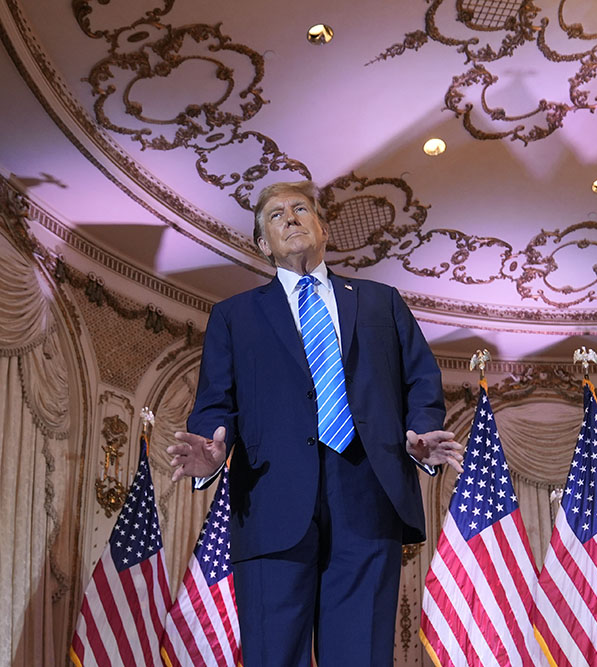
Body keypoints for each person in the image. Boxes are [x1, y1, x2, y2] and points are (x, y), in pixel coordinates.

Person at [166, 180, 463, 666]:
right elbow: (215, 404)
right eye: (276, 215)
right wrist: (209, 454)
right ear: (263, 243)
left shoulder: (381, 302)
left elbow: (420, 379)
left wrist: (422, 431)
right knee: (273, 654)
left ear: (322, 227)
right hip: (269, 502)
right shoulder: (233, 316)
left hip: (367, 493)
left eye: (301, 208)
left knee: (360, 654)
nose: (290, 217)